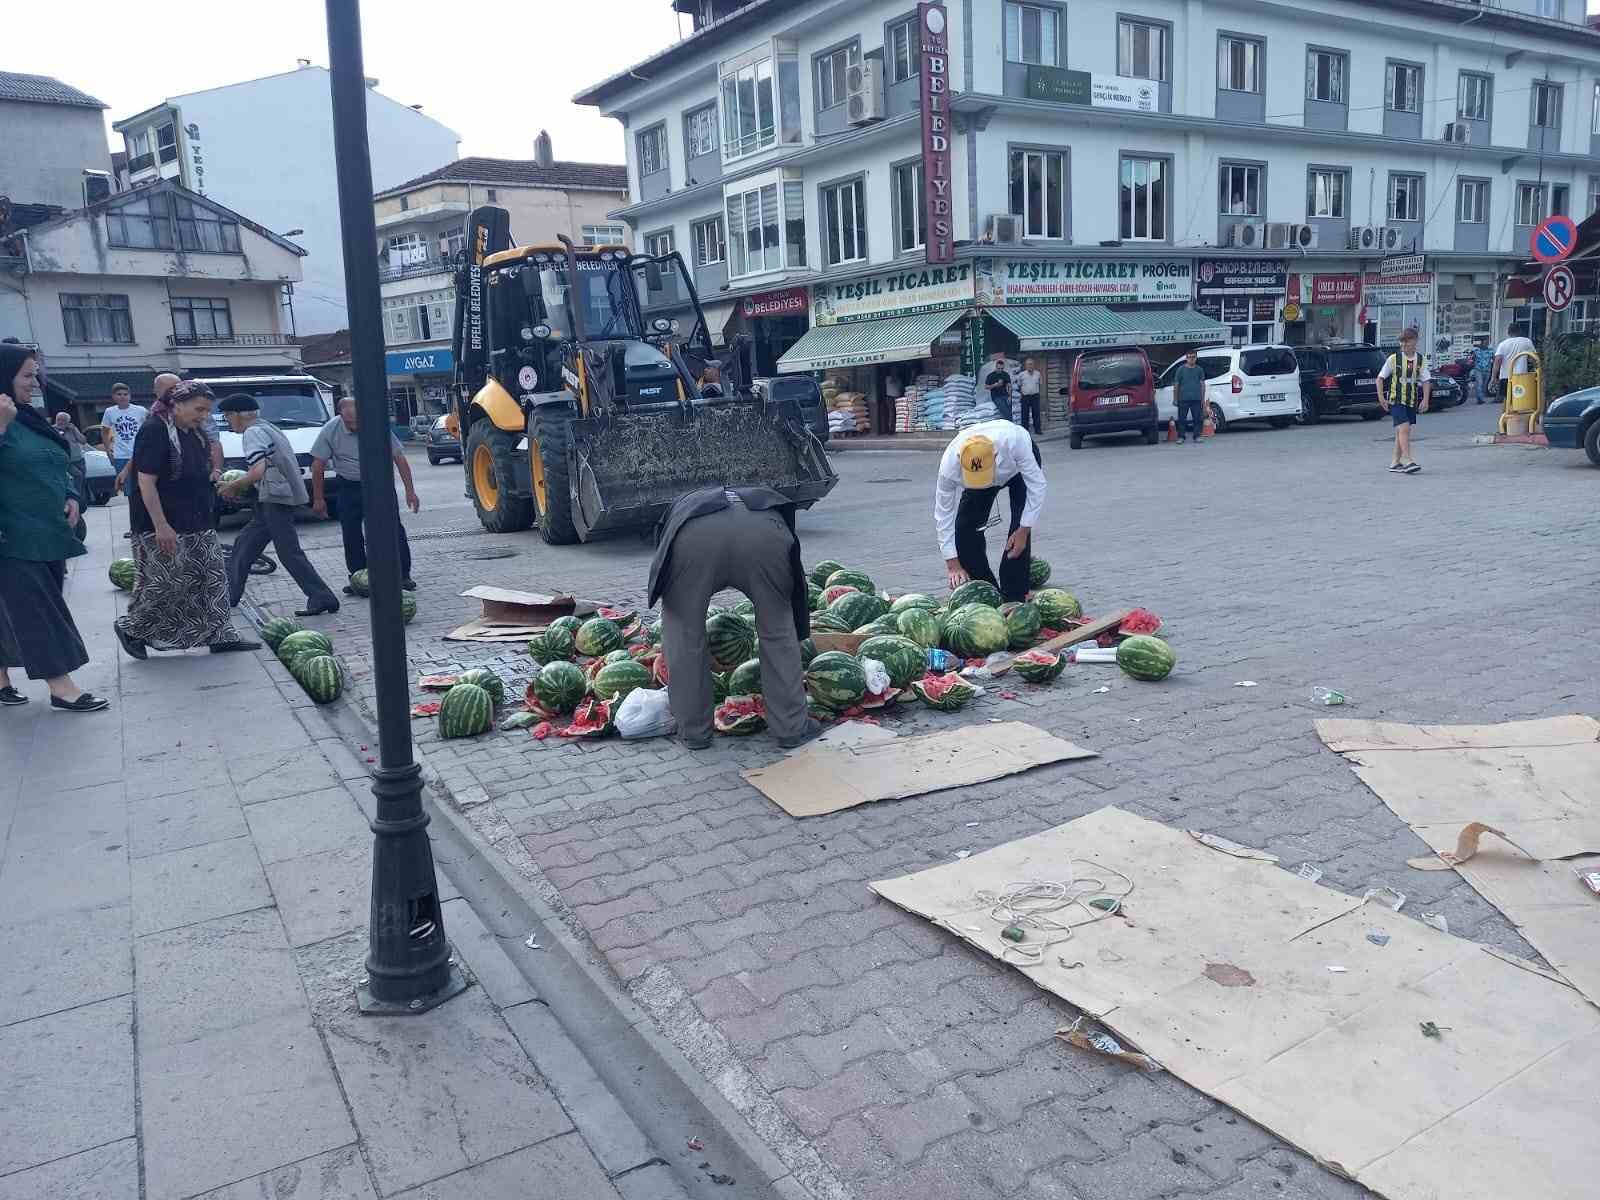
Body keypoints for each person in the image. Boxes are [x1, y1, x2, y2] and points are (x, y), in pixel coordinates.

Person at [647, 486, 816, 751]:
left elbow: (663, 559)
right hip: (765, 533)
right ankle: (790, 728)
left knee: (684, 635)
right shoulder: (759, 496)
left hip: (694, 538)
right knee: (779, 631)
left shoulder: (680, 508)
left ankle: (694, 732)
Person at [114, 380, 258, 658]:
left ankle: (220, 635)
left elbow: (198, 469)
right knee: (167, 581)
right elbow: (146, 482)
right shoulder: (154, 430)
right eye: (199, 409)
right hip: (162, 522)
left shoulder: (194, 431)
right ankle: (132, 628)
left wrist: (216, 481)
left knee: (213, 577)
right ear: (176, 404)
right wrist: (161, 525)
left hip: (198, 517)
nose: (204, 416)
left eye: (207, 411)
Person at [0, 345, 107, 711]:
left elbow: (56, 460)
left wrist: (71, 494)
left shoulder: (27, 416)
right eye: (27, 376)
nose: (36, 384)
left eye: (36, 375)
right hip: (11, 535)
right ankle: (61, 686)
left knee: (14, 606)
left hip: (48, 531)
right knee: (36, 609)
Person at [216, 393, 339, 616]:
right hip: (272, 498)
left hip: (275, 498)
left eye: (227, 416)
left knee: (288, 552)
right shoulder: (267, 427)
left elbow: (257, 471)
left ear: (237, 415)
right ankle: (230, 596)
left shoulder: (253, 433)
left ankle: (322, 597)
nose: (227, 421)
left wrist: (232, 487)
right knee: (244, 545)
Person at [310, 396, 419, 592]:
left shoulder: (376, 424)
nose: (354, 426)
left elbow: (399, 459)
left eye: (357, 421)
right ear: (341, 416)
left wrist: (410, 492)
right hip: (348, 486)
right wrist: (319, 499)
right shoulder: (330, 429)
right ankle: (358, 577)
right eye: (349, 422)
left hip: (379, 486)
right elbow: (318, 465)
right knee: (350, 532)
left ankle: (403, 575)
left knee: (393, 528)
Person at [934, 418, 1046, 602]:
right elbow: (943, 514)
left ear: (995, 456)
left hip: (1016, 470)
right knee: (965, 529)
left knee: (1018, 530)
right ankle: (987, 593)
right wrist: (952, 564)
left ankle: (1015, 595)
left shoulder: (1015, 442)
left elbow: (1038, 486)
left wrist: (1024, 529)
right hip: (980, 474)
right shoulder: (949, 465)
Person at [1376, 327, 1431, 475]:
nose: (1405, 346)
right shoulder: (1393, 359)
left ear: (1415, 342)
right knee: (1404, 429)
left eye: (1409, 342)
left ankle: (1394, 462)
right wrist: (1381, 398)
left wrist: (1425, 400)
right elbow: (1380, 378)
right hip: (1396, 399)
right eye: (1403, 343)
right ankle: (1408, 460)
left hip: (1411, 399)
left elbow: (1426, 381)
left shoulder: (1420, 359)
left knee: (1402, 431)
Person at [103, 382, 147, 500]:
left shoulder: (140, 410)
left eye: (125, 394)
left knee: (144, 487)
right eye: (119, 394)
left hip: (139, 453)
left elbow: (149, 428)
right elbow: (104, 431)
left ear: (130, 396)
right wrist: (108, 451)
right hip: (121, 455)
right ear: (113, 396)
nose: (122, 397)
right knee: (128, 490)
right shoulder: (110, 412)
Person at [1173, 349, 1208, 444]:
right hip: (1183, 399)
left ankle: (1197, 436)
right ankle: (1181, 437)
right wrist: (1175, 399)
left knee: (1197, 419)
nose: (1191, 359)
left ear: (1196, 358)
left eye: (1193, 357)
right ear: (1186, 358)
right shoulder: (1180, 370)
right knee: (1181, 419)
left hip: (1196, 399)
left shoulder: (1199, 370)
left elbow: (1202, 385)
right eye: (1189, 357)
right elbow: (1176, 385)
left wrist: (1202, 399)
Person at [1492, 326, 1536, 401]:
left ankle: (1508, 411)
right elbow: (1534, 358)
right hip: (1521, 376)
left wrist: (1493, 377)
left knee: (1507, 401)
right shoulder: (1527, 341)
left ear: (1508, 333)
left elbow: (1497, 361)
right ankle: (1516, 411)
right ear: (1520, 331)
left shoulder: (1503, 344)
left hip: (1505, 376)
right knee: (1520, 400)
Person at [983, 352, 1015, 422]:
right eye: (998, 368)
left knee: (1009, 408)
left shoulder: (1005, 374)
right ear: (996, 367)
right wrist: (995, 385)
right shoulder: (991, 375)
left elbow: (1009, 386)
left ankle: (1009, 424)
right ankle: (1011, 423)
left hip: (1005, 395)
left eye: (1001, 368)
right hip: (996, 396)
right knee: (1004, 409)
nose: (1000, 370)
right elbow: (986, 387)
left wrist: (1010, 396)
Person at [1017, 358, 1043, 434]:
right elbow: (1019, 385)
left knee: (1036, 413)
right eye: (1028, 364)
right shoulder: (1021, 375)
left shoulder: (1038, 373)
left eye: (1031, 364)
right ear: (1025, 366)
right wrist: (1023, 393)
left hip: (1035, 396)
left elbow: (1040, 384)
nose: (1030, 366)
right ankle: (1025, 431)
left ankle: (1038, 430)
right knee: (1025, 414)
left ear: (1034, 365)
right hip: (1025, 397)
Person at [1471, 337, 1494, 405]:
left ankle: (1481, 398)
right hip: (1478, 370)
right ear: (1482, 342)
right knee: (1479, 384)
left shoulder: (1491, 350)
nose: (1486, 343)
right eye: (1485, 342)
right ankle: (1480, 399)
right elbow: (1473, 359)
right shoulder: (1476, 350)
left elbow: (1494, 358)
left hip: (1487, 370)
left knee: (1484, 385)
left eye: (1487, 342)